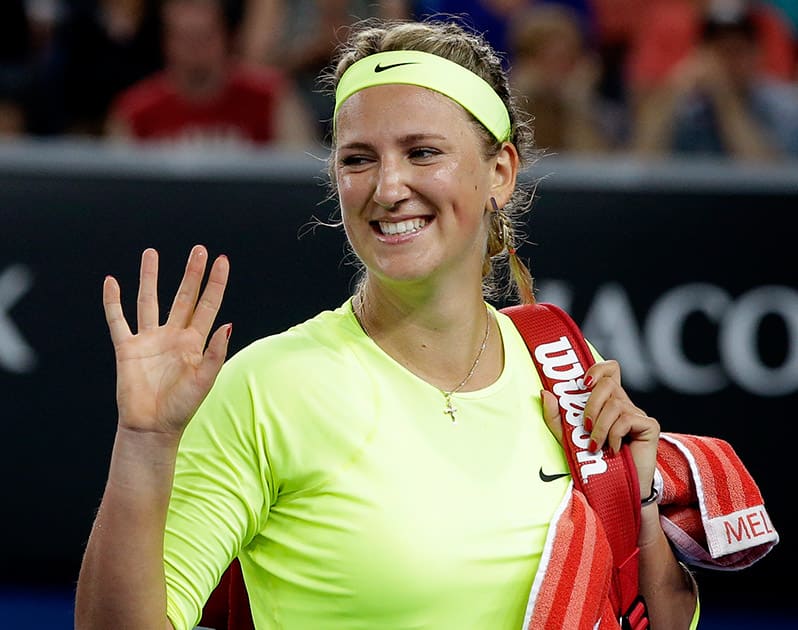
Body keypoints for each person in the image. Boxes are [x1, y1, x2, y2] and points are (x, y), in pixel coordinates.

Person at [74, 16, 777, 630]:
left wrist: (639, 488)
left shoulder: (562, 363)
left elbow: (659, 616)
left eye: (422, 152)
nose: (387, 187)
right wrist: (143, 442)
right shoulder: (266, 387)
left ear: (499, 171)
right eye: (358, 159)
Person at [106, 0, 316, 149]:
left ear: (226, 37)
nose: (194, 48)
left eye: (204, 36)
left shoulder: (273, 98)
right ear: (166, 42)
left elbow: (299, 172)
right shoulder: (135, 111)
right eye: (184, 38)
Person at [631, 0, 798, 160]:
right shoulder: (687, 104)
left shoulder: (783, 106)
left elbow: (768, 176)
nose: (728, 62)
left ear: (756, 55)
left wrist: (726, 102)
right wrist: (673, 91)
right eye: (719, 51)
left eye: (737, 51)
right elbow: (642, 161)